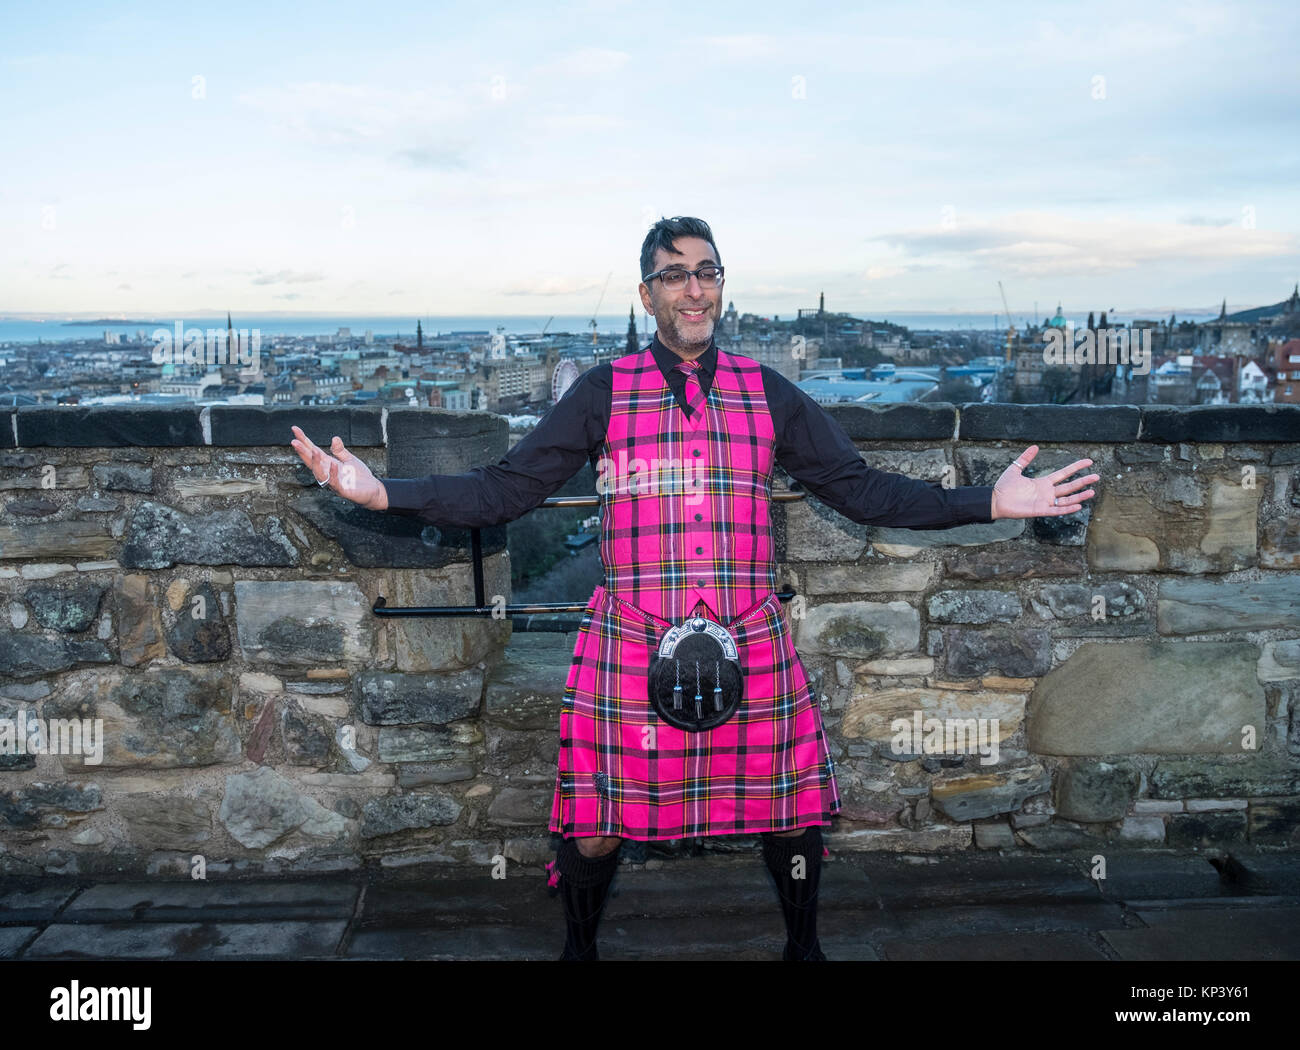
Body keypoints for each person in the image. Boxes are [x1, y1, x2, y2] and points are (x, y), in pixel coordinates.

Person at [289, 215, 1098, 961]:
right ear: (647, 295)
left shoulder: (769, 393)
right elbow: (504, 491)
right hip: (632, 636)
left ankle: (803, 950)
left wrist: (990, 500)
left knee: (791, 810)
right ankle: (579, 950)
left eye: (707, 271)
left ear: (721, 286)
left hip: (748, 633)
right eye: (674, 275)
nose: (694, 287)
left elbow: (865, 491)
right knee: (599, 819)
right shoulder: (603, 392)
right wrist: (382, 492)